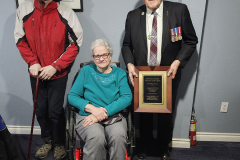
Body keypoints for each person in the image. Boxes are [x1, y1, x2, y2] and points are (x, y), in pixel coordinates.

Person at [122, 0, 198, 159]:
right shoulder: (133, 16)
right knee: (144, 113)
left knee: (166, 114)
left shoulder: (179, 10)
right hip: (142, 74)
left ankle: (164, 147)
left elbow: (190, 41)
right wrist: (129, 64)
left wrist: (177, 62)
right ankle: (143, 146)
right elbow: (126, 45)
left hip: (169, 73)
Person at [14, 0, 83, 159]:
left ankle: (59, 143)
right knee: (40, 109)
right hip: (36, 72)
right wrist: (33, 62)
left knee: (55, 110)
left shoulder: (66, 13)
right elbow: (20, 39)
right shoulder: (24, 10)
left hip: (57, 73)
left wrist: (56, 66)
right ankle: (47, 140)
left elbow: (76, 43)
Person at [68, 39, 132, 160]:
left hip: (113, 115)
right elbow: (72, 96)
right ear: (93, 57)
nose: (101, 58)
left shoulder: (120, 74)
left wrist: (103, 112)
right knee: (96, 137)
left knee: (118, 136)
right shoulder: (86, 71)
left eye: (104, 55)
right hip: (88, 114)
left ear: (110, 55)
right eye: (97, 56)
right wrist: (93, 110)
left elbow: (127, 98)